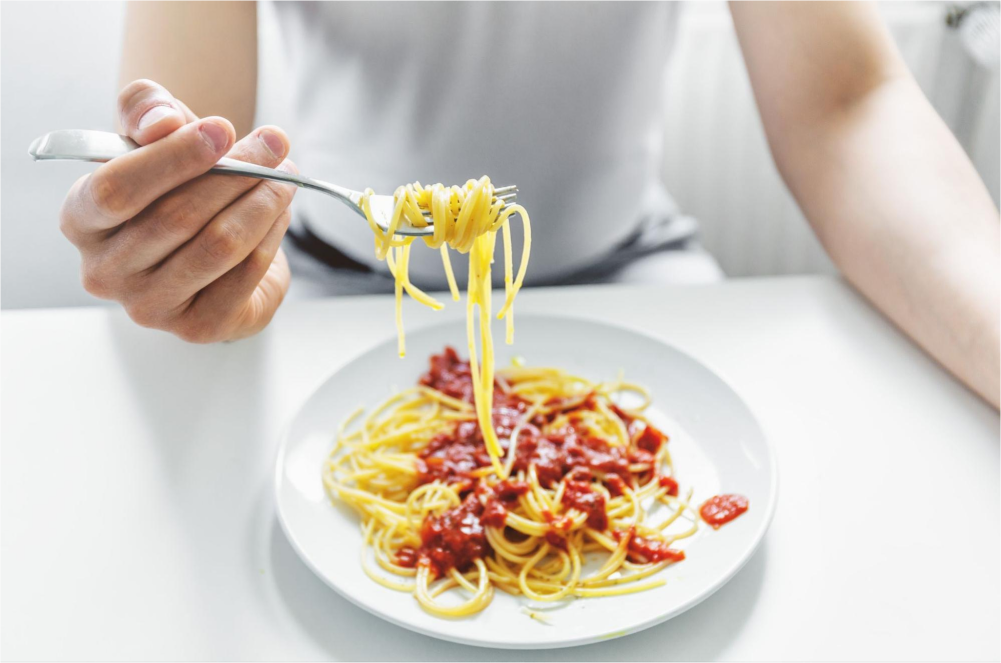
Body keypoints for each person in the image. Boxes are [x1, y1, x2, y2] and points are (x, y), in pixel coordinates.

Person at [57, 0, 1001, 411]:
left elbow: (848, 105)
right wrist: (184, 241)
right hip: (319, 286)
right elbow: (195, 149)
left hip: (639, 269)